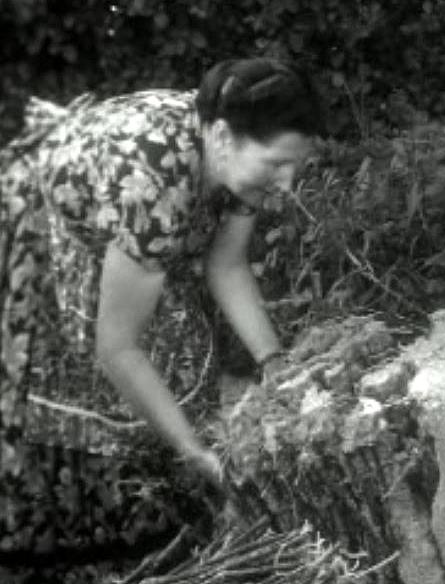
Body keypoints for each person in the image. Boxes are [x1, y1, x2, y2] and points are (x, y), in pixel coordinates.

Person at [0, 57, 321, 556]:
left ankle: (174, 512)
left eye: (296, 166)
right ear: (220, 136)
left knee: (182, 361)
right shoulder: (152, 183)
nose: (288, 184)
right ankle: (97, 543)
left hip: (131, 231)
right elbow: (117, 348)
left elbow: (226, 266)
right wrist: (192, 451)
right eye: (278, 164)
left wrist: (275, 365)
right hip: (47, 231)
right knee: (103, 420)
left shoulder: (236, 158)